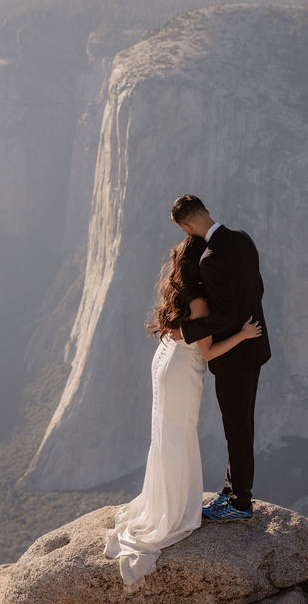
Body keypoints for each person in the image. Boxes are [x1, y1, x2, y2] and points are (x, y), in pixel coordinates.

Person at [104, 234, 262, 587]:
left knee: (166, 433)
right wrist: (244, 334)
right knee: (178, 435)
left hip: (165, 360)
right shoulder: (200, 301)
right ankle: (173, 512)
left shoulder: (178, 289)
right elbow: (207, 351)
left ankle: (163, 499)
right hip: (181, 371)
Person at [170, 194, 271, 522]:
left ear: (186, 226)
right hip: (254, 346)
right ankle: (231, 489)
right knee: (241, 422)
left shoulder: (209, 260)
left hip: (234, 355)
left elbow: (224, 317)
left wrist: (187, 332)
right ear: (206, 211)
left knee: (236, 426)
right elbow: (259, 288)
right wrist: (249, 321)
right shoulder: (243, 239)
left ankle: (240, 501)